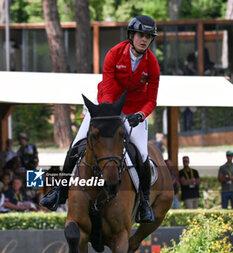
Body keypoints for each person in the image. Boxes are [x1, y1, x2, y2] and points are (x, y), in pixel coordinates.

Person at [40, 15, 160, 223]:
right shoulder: (114, 53)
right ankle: (59, 192)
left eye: (149, 37)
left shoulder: (153, 64)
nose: (144, 40)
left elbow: (152, 99)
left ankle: (144, 203)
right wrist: (108, 113)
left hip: (133, 114)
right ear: (131, 35)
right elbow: (106, 86)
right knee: (76, 145)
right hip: (106, 106)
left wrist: (140, 115)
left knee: (141, 155)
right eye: (141, 35)